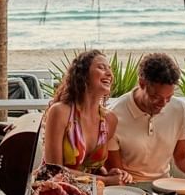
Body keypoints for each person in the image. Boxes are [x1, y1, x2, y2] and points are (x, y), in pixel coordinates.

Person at [107, 53, 185, 184]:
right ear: (142, 83)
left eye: (168, 98)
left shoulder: (179, 109)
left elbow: (182, 158)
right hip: (129, 188)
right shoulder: (114, 115)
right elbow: (116, 172)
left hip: (164, 186)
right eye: (155, 97)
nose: (163, 104)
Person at [43, 50, 132, 185]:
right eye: (101, 68)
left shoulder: (109, 120)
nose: (109, 73)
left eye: (110, 69)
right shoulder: (60, 112)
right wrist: (106, 180)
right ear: (83, 74)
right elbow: (54, 170)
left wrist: (110, 173)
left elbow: (91, 167)